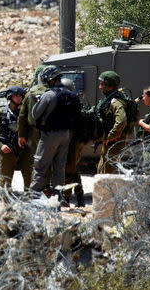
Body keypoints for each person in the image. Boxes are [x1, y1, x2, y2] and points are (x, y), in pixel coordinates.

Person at [29, 65, 81, 203]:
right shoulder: (72, 95)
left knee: (40, 166)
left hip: (49, 135)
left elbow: (35, 114)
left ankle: (33, 196)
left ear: (51, 79)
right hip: (65, 134)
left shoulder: (49, 95)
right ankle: (58, 198)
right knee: (59, 167)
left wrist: (38, 102)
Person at [0, 86, 26, 192]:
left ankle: (29, 201)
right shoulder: (1, 112)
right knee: (5, 181)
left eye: (21, 96)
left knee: (29, 180)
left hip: (24, 150)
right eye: (16, 96)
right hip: (7, 150)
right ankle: (7, 204)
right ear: (11, 97)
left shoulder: (25, 112)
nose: (19, 98)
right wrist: (1, 146)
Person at [17, 65, 47, 190]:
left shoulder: (31, 93)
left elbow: (22, 117)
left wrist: (21, 135)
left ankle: (30, 189)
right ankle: (47, 190)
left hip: (33, 132)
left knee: (31, 161)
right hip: (51, 132)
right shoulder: (54, 92)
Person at [95, 71, 127, 174]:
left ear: (109, 86)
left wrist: (111, 136)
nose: (100, 87)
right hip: (109, 142)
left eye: (102, 84)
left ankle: (110, 190)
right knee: (102, 167)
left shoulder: (116, 102)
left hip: (114, 142)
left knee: (109, 171)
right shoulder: (109, 100)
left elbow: (122, 121)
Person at [61, 78, 85, 207]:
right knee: (74, 170)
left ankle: (66, 198)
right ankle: (80, 199)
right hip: (76, 141)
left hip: (72, 142)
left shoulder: (69, 103)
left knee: (69, 170)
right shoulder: (75, 101)